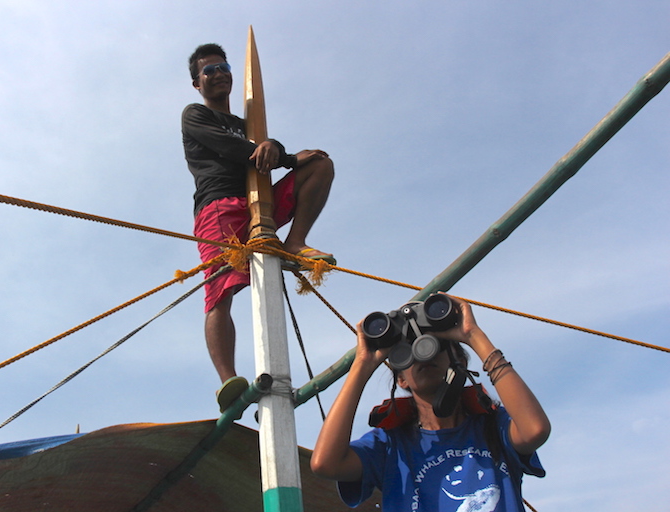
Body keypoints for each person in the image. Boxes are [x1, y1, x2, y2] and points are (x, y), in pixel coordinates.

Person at [182, 43, 335, 412]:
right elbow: (240, 151)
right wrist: (280, 155)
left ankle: (295, 242)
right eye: (209, 71)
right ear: (196, 83)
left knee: (319, 164)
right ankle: (228, 381)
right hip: (219, 206)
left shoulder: (249, 125)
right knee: (220, 291)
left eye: (223, 67)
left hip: (259, 201)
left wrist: (275, 147)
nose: (218, 74)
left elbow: (260, 150)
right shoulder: (195, 115)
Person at [311, 294, 551, 511]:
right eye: (407, 353)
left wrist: (473, 335)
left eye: (431, 344)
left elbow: (535, 430)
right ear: (401, 379)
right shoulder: (390, 446)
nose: (421, 354)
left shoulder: (493, 427)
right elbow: (325, 464)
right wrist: (362, 365)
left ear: (458, 360)